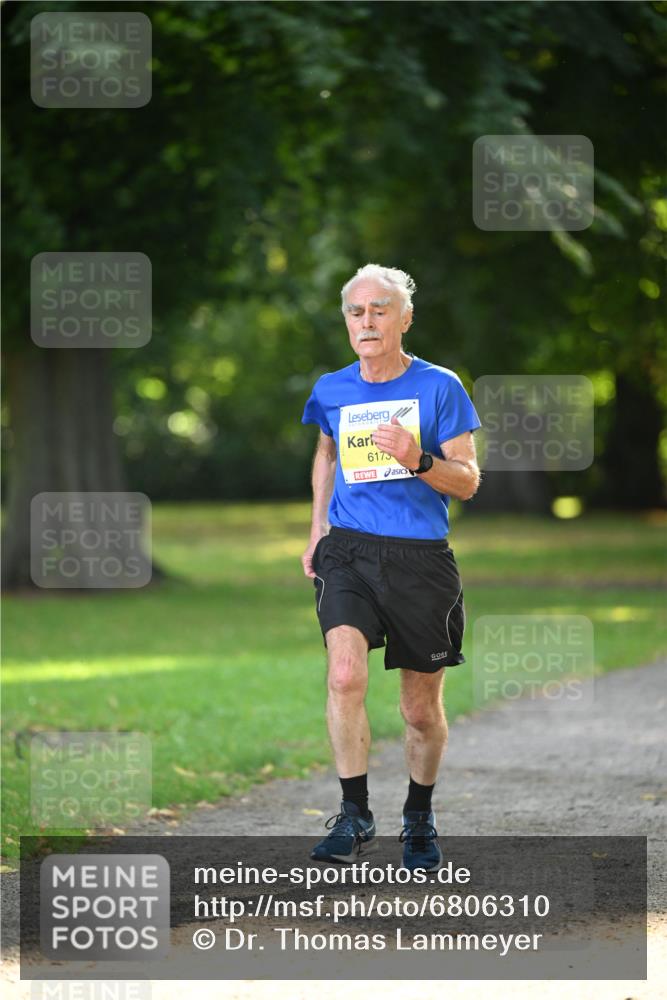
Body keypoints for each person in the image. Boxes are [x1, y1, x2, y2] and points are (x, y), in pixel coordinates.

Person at [301, 263, 481, 872]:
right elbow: (326, 454)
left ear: (404, 319)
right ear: (346, 322)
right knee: (345, 675)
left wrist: (418, 457)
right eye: (357, 311)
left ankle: (419, 815)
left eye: (381, 309)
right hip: (348, 551)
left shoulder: (439, 387)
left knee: (418, 710)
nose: (368, 320)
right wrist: (316, 532)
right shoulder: (330, 389)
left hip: (420, 561)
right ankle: (354, 814)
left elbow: (468, 480)